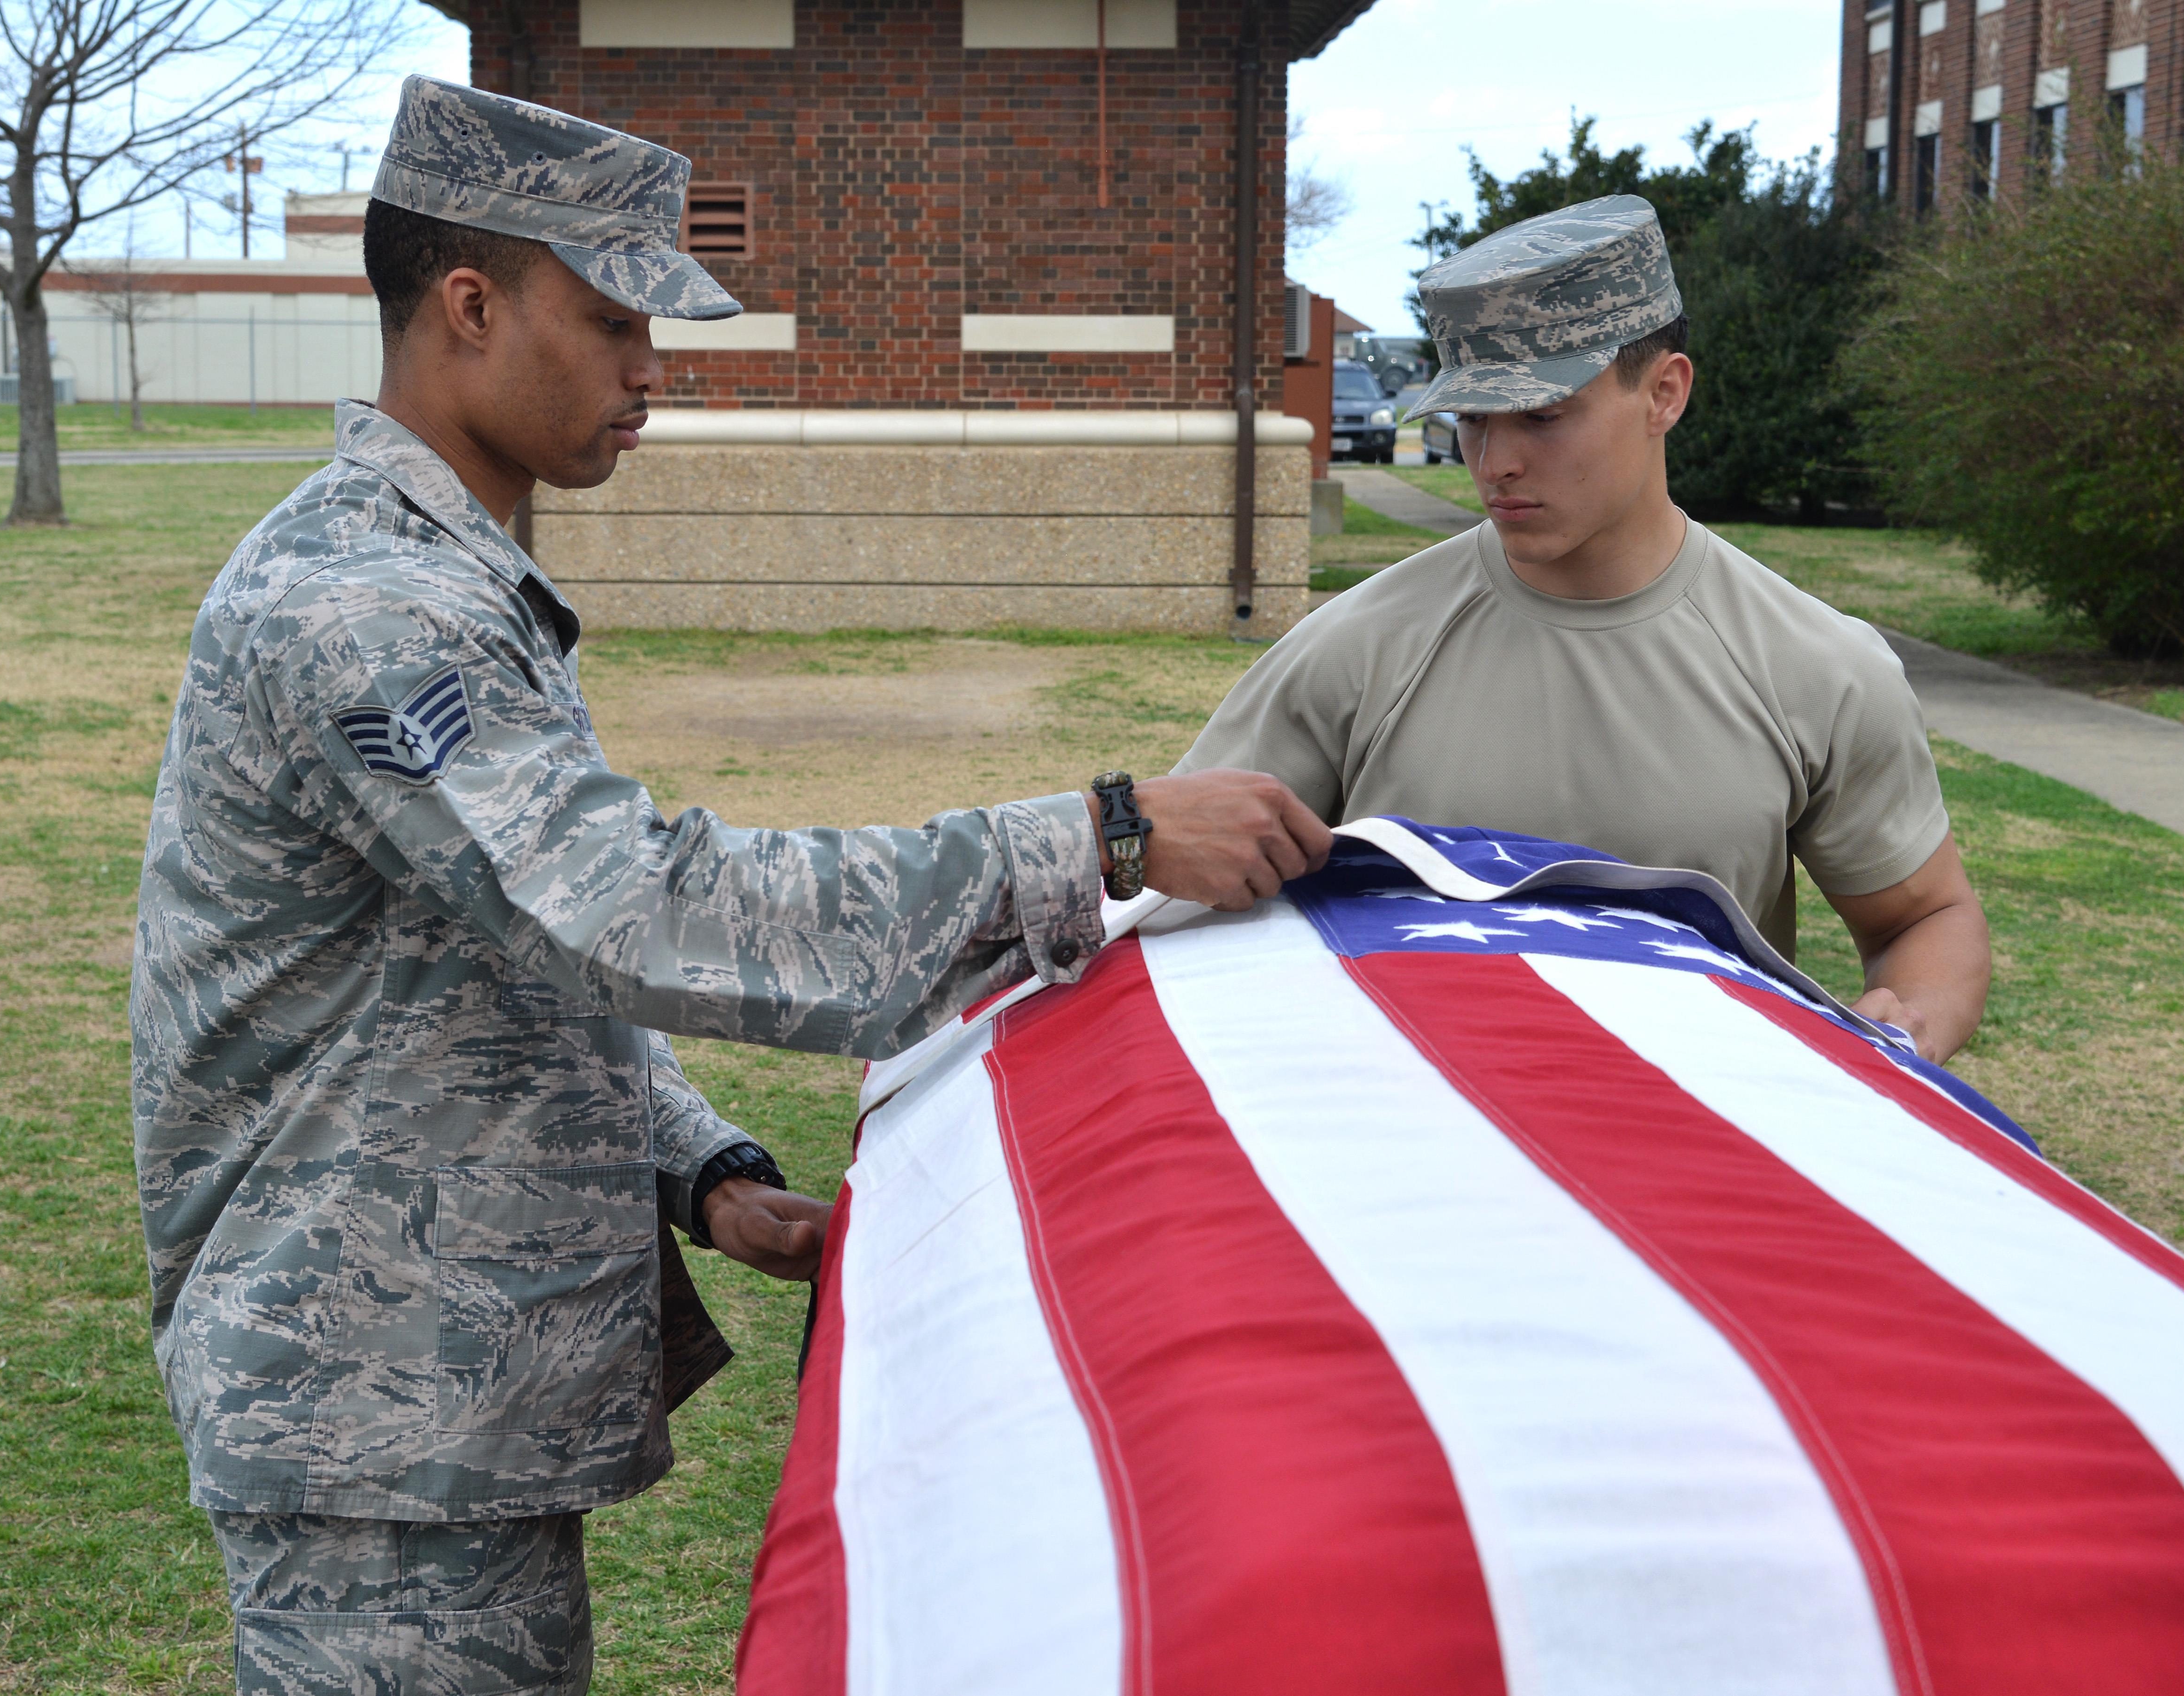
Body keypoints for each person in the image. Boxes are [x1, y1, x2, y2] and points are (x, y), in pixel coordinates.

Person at [130, 76, 1327, 1696]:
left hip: (424, 1392)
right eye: (615, 314)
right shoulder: (366, 605)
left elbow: (505, 955)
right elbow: (630, 904)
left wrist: (701, 1166)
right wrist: (1102, 835)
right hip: (368, 1422)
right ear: (468, 306)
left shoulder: (448, 575)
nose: (651, 365)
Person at [1178, 195, 1987, 1063]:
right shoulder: (1356, 648)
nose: (1495, 464)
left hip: (1693, 1155)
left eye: (1540, 414)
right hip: (1418, 1149)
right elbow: (1181, 881)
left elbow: (1924, 915)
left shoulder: (1815, 666)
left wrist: (1909, 1027)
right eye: (1472, 420)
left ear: (1664, 392)